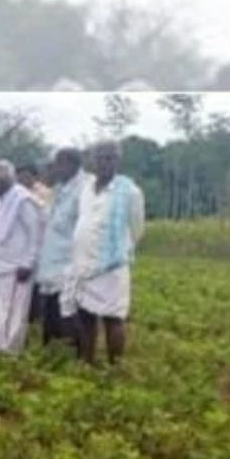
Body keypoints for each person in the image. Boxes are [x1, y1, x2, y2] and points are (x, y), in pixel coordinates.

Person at [61, 141, 146, 364]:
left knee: (113, 318)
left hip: (111, 267)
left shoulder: (130, 191)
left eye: (110, 158)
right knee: (85, 315)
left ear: (118, 160)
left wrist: (115, 251)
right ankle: (87, 362)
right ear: (93, 161)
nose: (105, 163)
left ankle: (115, 367)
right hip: (83, 264)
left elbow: (137, 229)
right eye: (100, 158)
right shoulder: (87, 188)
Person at [0, 160, 43, 353]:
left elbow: (35, 234)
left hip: (18, 267)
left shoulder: (24, 200)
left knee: (15, 309)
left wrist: (28, 263)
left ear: (1, 182)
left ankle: (10, 349)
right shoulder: (0, 200)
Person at [35, 148, 89, 346]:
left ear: (72, 164)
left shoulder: (85, 189)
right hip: (52, 260)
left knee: (69, 312)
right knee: (50, 310)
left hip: (70, 262)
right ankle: (51, 351)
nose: (55, 169)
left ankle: (74, 353)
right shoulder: (59, 189)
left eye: (59, 164)